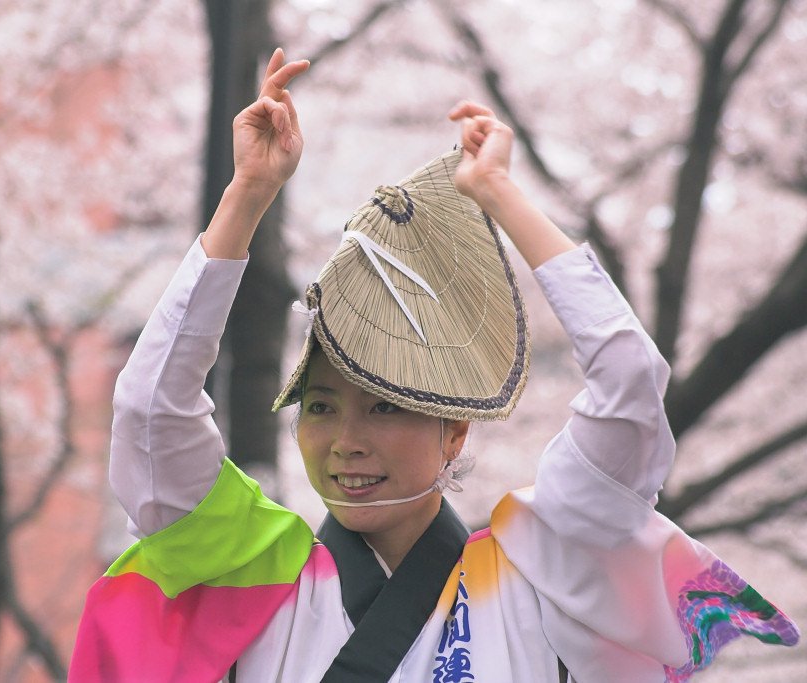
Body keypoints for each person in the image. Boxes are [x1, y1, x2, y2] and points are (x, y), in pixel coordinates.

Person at [69, 49, 799, 682]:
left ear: (455, 430)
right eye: (320, 406)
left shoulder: (545, 569)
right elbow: (150, 409)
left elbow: (631, 382)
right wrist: (248, 194)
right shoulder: (249, 566)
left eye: (384, 406)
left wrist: (500, 195)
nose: (346, 440)